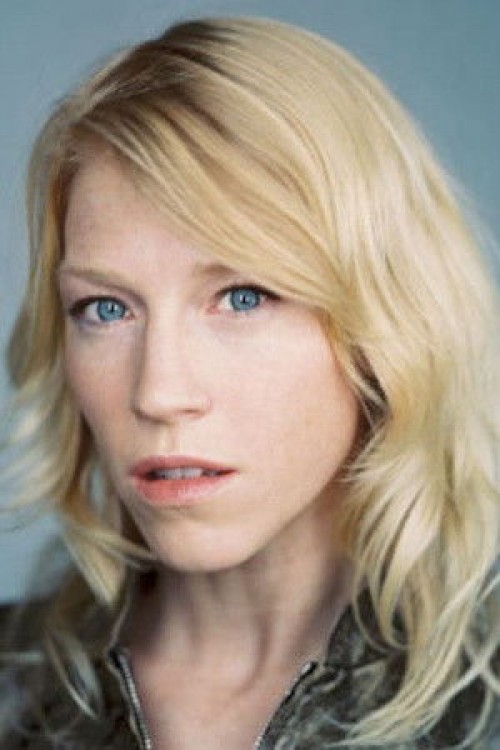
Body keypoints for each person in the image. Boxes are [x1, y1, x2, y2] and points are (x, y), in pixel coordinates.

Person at [0, 15, 498, 750]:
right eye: (106, 309)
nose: (158, 392)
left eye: (242, 296)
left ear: (385, 321)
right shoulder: (13, 689)